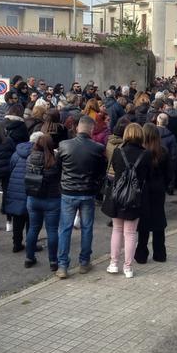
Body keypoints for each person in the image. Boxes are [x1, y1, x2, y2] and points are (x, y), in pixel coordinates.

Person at [55, 116, 106, 279]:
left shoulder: (64, 145)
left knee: (65, 229)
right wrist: (95, 187)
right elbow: (101, 172)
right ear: (91, 130)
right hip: (87, 192)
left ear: (77, 128)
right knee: (87, 228)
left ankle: (62, 266)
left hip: (68, 192)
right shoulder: (97, 148)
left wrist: (61, 185)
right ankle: (84, 262)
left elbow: (58, 168)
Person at [105, 123, 151, 278]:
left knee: (117, 230)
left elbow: (113, 172)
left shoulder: (118, 152)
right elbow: (147, 177)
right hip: (135, 197)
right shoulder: (146, 154)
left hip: (117, 196)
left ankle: (113, 263)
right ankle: (128, 267)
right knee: (130, 233)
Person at [24, 133, 62, 271]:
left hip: (33, 198)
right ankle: (53, 261)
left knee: (33, 228)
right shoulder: (54, 161)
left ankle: (29, 257)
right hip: (52, 199)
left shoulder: (29, 158)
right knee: (52, 230)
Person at [137, 123, 169, 263]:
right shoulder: (163, 151)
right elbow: (169, 173)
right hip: (158, 189)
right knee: (159, 220)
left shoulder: (140, 152)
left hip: (144, 189)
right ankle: (160, 253)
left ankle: (141, 253)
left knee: (143, 222)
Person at [3, 132, 32, 253]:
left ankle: (16, 243)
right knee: (30, 219)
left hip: (15, 189)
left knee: (17, 219)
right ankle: (31, 243)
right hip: (30, 189)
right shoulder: (37, 154)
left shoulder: (16, 154)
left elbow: (10, 168)